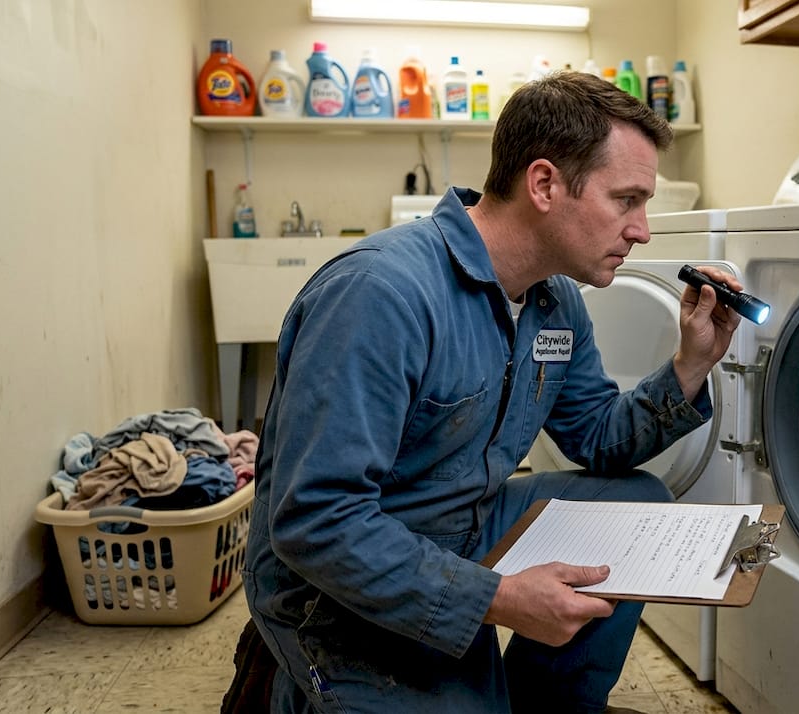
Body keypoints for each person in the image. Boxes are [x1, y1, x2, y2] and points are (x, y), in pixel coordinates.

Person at [242, 70, 744, 713]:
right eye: (626, 200)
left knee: (632, 502)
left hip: (464, 524)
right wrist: (498, 600)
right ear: (544, 184)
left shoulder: (554, 300)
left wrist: (691, 364)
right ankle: (291, 681)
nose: (642, 230)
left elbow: (596, 438)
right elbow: (314, 519)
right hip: (331, 587)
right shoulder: (381, 294)